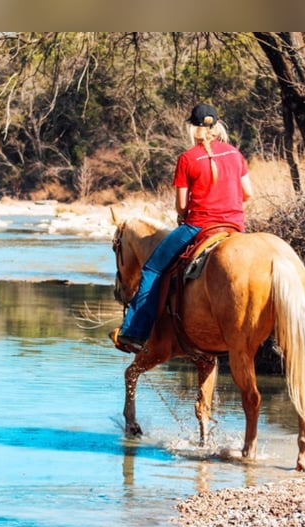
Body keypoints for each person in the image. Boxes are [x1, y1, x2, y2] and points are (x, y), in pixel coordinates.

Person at [110, 103, 253, 353]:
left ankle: (133, 332)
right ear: (217, 126)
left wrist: (186, 215)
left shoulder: (188, 159)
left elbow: (181, 206)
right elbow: (248, 193)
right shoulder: (235, 154)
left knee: (153, 268)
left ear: (193, 129)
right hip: (234, 226)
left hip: (199, 227)